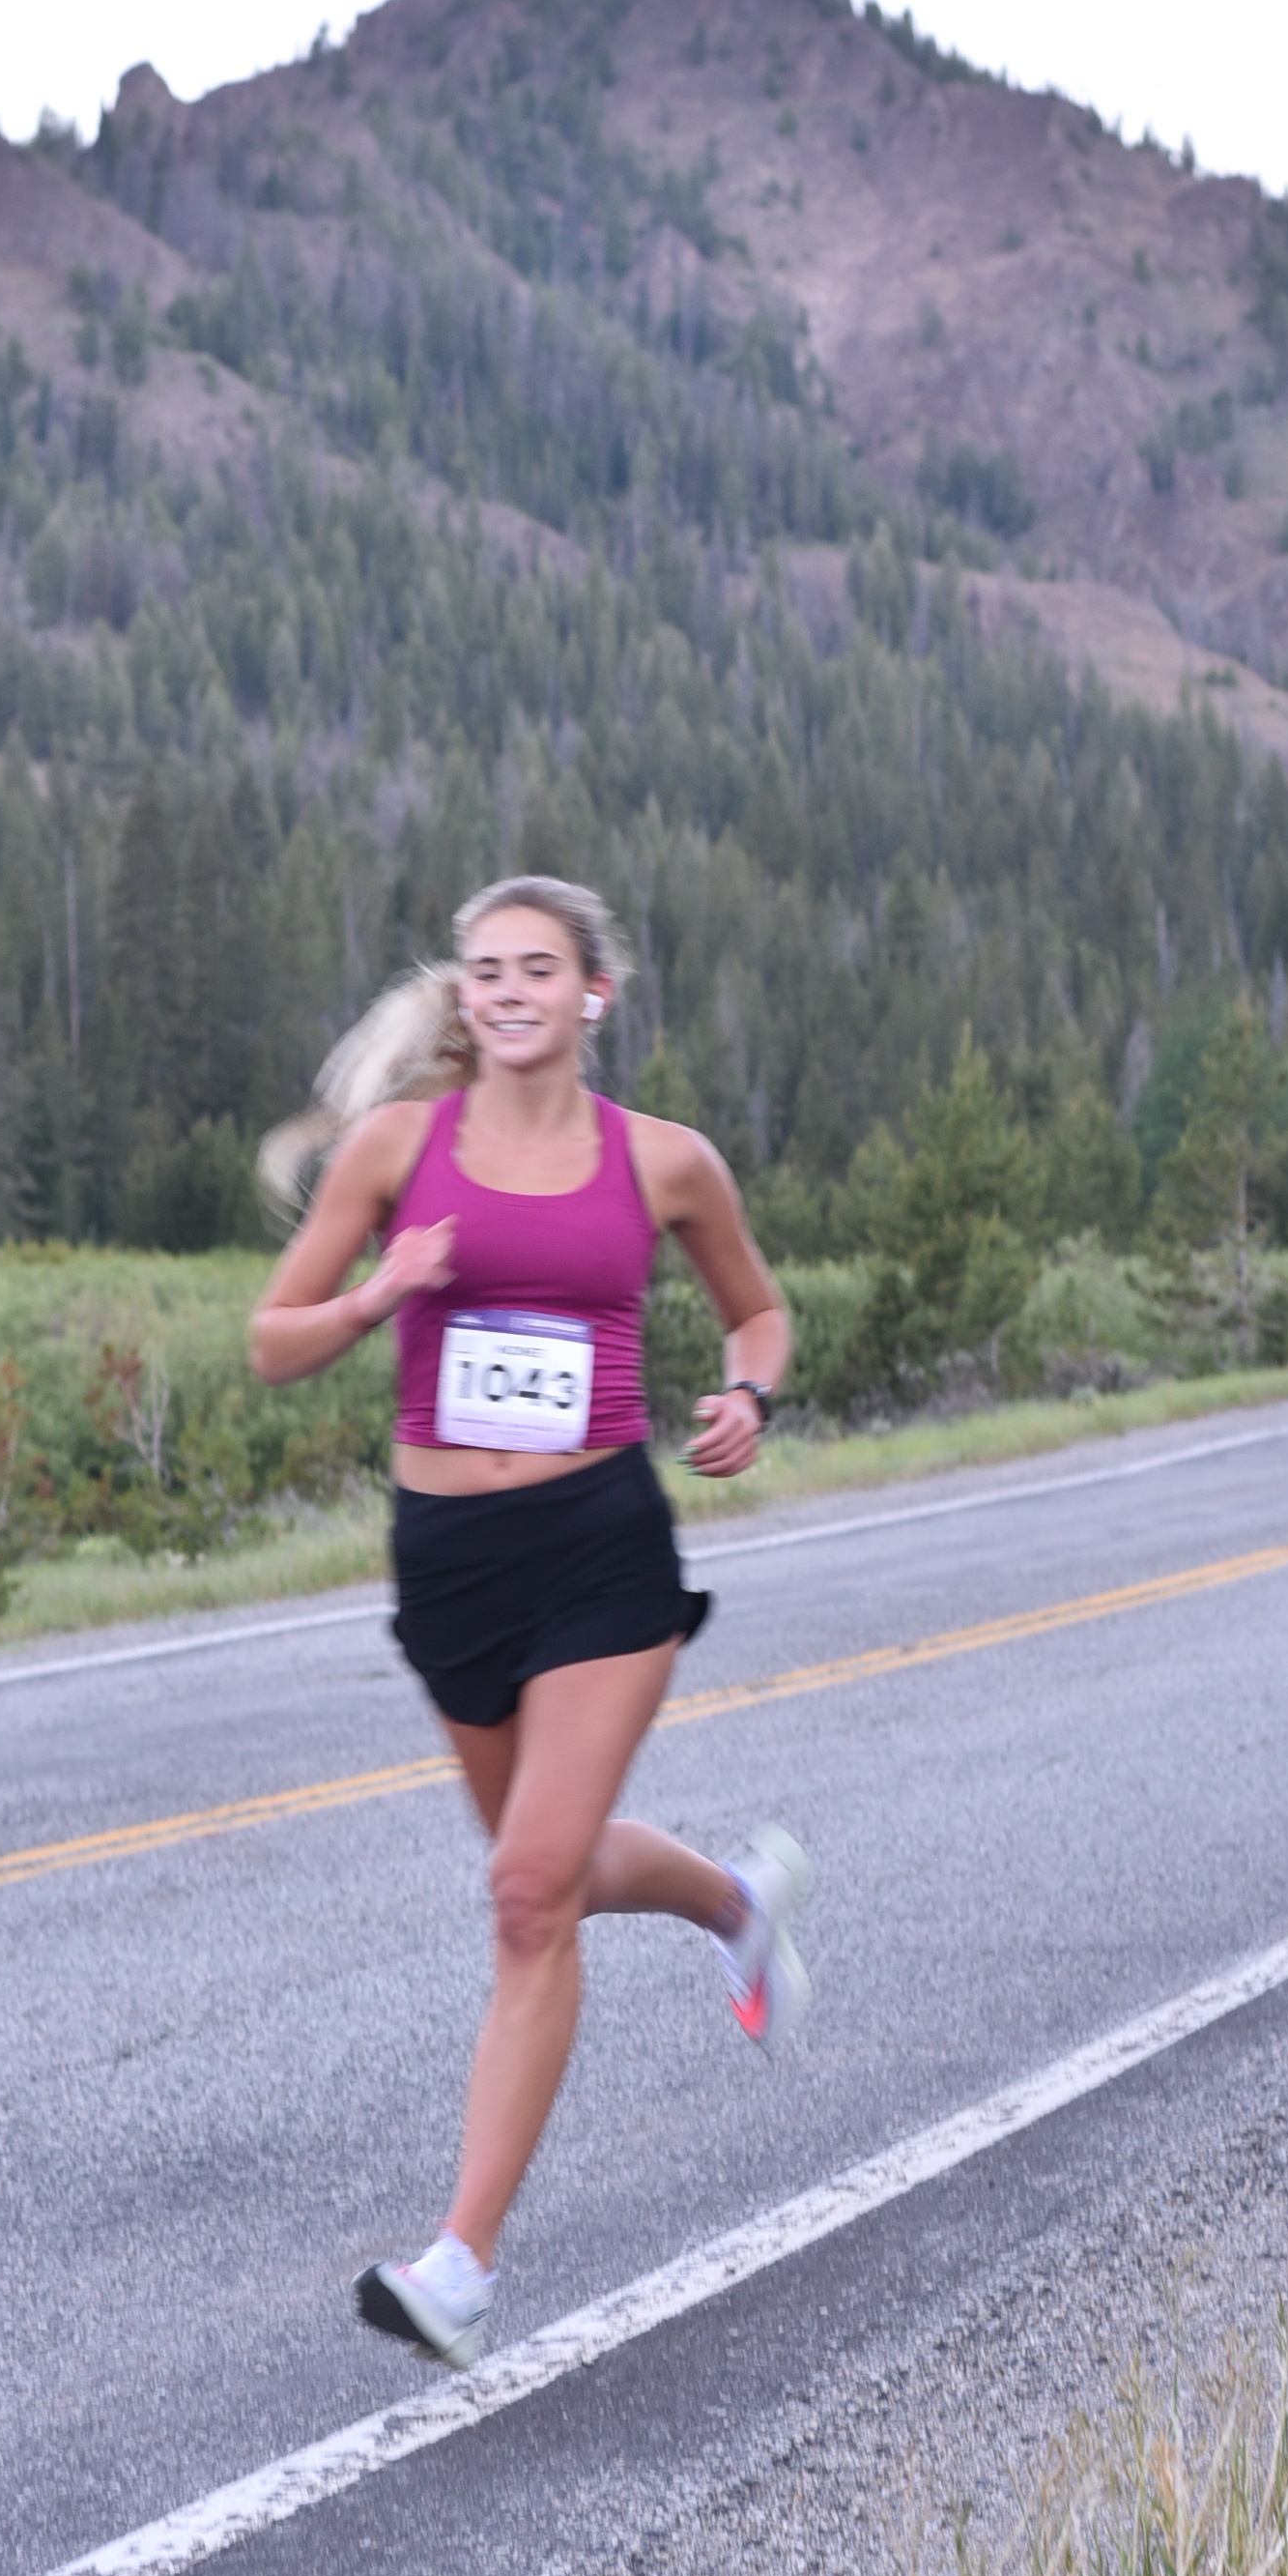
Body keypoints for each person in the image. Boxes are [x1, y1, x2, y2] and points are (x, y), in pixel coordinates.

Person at [247, 874, 810, 2372]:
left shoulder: (665, 1161)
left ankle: (460, 2266)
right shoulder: (396, 1149)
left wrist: (748, 1395)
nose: (506, 990)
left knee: (526, 1896)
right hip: (449, 1561)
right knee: (537, 1870)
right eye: (485, 969)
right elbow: (273, 1341)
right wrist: (378, 1297)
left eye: (537, 968)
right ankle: (734, 1904)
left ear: (591, 995)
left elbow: (759, 1313)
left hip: (597, 1547)